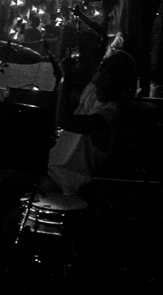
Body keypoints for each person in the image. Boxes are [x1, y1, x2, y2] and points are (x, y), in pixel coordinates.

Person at [46, 48, 133, 196]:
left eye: (103, 67)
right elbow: (69, 103)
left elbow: (64, 121)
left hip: (68, 184)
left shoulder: (106, 116)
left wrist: (67, 78)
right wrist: (62, 79)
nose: (98, 68)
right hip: (54, 170)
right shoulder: (93, 90)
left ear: (112, 79)